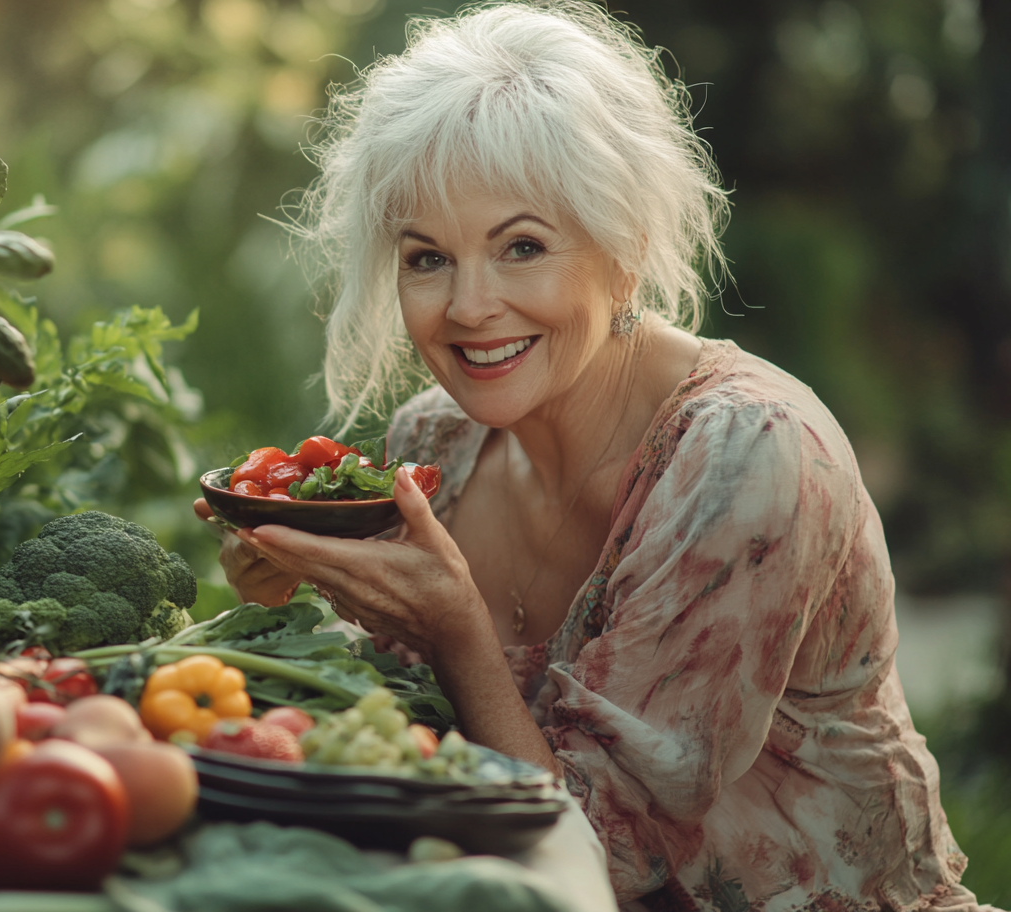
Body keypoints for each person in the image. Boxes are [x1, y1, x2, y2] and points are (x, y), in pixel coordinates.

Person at [194, 4, 988, 910]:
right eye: (427, 259)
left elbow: (595, 865)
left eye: (521, 247)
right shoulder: (435, 445)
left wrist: (454, 631)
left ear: (626, 249)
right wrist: (300, 592)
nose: (468, 307)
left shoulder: (746, 459)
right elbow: (414, 751)